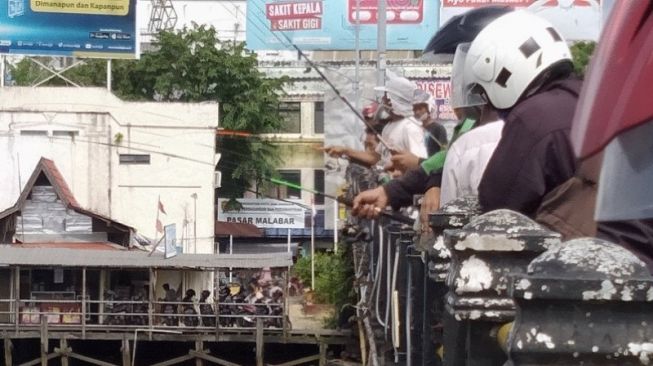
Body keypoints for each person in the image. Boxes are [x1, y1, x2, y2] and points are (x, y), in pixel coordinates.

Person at [459, 10, 580, 217]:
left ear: (503, 74)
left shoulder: (532, 117)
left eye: (485, 93)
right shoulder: (587, 96)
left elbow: (497, 206)